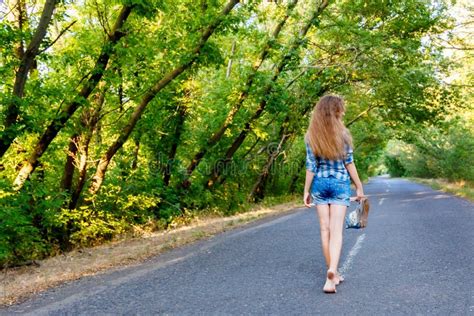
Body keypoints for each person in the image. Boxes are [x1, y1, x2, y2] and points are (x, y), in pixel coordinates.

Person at [303, 94, 365, 294]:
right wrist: (359, 186)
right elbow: (349, 163)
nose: (344, 112)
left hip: (320, 184)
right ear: (337, 111)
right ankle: (332, 272)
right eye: (342, 109)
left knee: (325, 230)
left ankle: (332, 273)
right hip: (339, 183)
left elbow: (311, 166)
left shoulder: (312, 135)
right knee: (336, 231)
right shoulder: (344, 135)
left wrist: (306, 190)